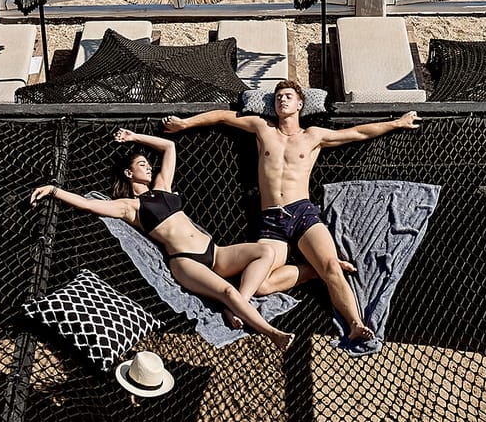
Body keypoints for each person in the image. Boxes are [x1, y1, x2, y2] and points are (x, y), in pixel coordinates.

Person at [167, 82, 419, 345]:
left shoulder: (313, 135)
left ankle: (355, 324)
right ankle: (311, 269)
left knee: (332, 266)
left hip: (303, 213)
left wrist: (397, 123)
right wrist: (185, 124)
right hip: (271, 219)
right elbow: (222, 116)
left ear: (300, 104)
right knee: (261, 285)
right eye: (277, 98)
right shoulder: (262, 128)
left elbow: (356, 132)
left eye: (288, 97)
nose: (282, 101)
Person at [31, 129, 297, 352]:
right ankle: (271, 332)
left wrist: (134, 136)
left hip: (214, 252)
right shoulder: (130, 207)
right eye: (141, 164)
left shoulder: (162, 187)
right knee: (227, 292)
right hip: (186, 262)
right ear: (128, 173)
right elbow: (88, 204)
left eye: (147, 163)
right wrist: (55, 190)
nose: (148, 167)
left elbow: (169, 147)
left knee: (264, 252)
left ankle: (236, 308)